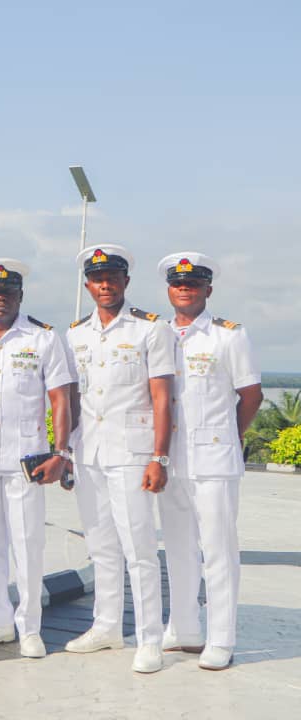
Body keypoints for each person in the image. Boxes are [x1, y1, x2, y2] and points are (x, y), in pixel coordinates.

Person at [0, 259, 74, 659]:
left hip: (27, 462)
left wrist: (61, 453)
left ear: (20, 295)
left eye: (7, 292)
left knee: (27, 545)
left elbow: (60, 398)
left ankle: (30, 627)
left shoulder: (43, 338)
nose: (0, 298)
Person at [65, 244, 174, 674]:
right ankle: (106, 625)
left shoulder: (150, 329)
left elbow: (162, 398)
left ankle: (149, 639)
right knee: (101, 545)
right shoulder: (76, 334)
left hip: (132, 452)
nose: (105, 284)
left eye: (112, 277)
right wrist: (65, 451)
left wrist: (159, 456)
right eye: (97, 278)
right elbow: (72, 397)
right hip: (88, 450)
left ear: (125, 281)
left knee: (139, 548)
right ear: (87, 285)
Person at [156, 252, 262, 671]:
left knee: (218, 551)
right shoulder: (158, 334)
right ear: (169, 290)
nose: (185, 289)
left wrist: (230, 437)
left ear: (208, 289)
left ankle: (221, 637)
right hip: (171, 458)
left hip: (214, 458)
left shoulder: (228, 336)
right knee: (177, 547)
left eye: (193, 283)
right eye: (178, 284)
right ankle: (184, 628)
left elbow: (251, 395)